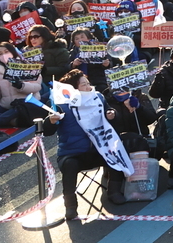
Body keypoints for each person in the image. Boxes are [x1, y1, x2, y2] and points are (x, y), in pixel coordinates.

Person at [42, 70, 134, 221]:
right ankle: (70, 206)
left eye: (88, 83)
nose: (88, 86)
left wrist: (112, 114)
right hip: (72, 152)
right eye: (83, 84)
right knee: (70, 166)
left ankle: (114, 192)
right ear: (72, 88)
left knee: (114, 152)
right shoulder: (61, 103)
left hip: (97, 148)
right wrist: (51, 121)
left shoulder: (97, 97)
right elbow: (47, 131)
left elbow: (109, 114)